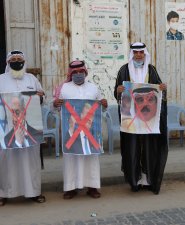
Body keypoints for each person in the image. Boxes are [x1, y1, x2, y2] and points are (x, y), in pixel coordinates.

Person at [114, 42, 168, 194]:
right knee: (132, 148)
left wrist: (162, 88)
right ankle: (134, 181)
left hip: (148, 119)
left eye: (141, 52)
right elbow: (117, 92)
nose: (139, 55)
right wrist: (118, 90)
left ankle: (148, 180)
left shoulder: (151, 70)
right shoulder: (123, 70)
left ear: (145, 54)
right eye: (136, 52)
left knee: (149, 148)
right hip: (131, 118)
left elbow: (158, 91)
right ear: (132, 54)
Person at [53, 60, 107, 199]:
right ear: (71, 73)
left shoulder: (93, 88)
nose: (78, 74)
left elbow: (102, 106)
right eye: (75, 72)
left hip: (91, 133)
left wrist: (104, 104)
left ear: (85, 72)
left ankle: (92, 187)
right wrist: (56, 103)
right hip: (71, 134)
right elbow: (55, 108)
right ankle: (70, 188)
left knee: (91, 158)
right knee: (71, 159)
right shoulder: (63, 88)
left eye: (80, 72)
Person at [0, 50, 45, 206]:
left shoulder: (31, 79)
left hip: (29, 129)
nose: (17, 61)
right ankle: (4, 193)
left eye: (19, 59)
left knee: (31, 160)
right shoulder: (1, 79)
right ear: (8, 62)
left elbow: (41, 97)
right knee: (6, 161)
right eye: (13, 59)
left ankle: (34, 192)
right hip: (6, 130)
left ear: (24, 62)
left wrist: (40, 96)